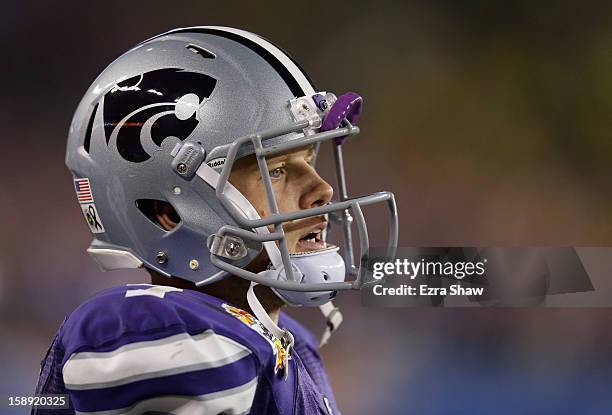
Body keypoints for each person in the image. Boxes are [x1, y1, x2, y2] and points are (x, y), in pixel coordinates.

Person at [33, 26, 398, 414]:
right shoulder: (164, 334)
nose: (322, 189)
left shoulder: (287, 344)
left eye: (307, 160)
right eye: (274, 170)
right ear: (168, 213)